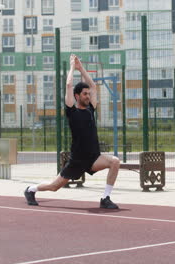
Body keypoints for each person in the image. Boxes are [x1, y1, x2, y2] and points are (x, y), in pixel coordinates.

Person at [24, 54, 121, 209]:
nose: (88, 96)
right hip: (77, 160)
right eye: (85, 94)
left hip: (93, 158)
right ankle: (31, 190)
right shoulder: (72, 111)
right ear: (77, 96)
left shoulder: (91, 109)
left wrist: (81, 68)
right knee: (54, 186)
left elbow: (94, 86)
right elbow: (69, 85)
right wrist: (72, 66)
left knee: (115, 161)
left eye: (88, 94)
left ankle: (105, 198)